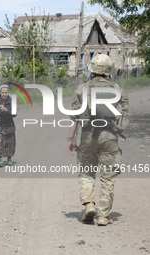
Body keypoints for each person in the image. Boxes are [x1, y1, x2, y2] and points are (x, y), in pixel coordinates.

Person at [67, 54, 129, 226]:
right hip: (109, 137)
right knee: (108, 175)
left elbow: (74, 118)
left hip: (87, 135)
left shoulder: (81, 89)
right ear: (109, 71)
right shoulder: (117, 88)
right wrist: (117, 127)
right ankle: (103, 215)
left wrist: (71, 139)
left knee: (87, 172)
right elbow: (125, 116)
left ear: (92, 70)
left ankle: (88, 205)